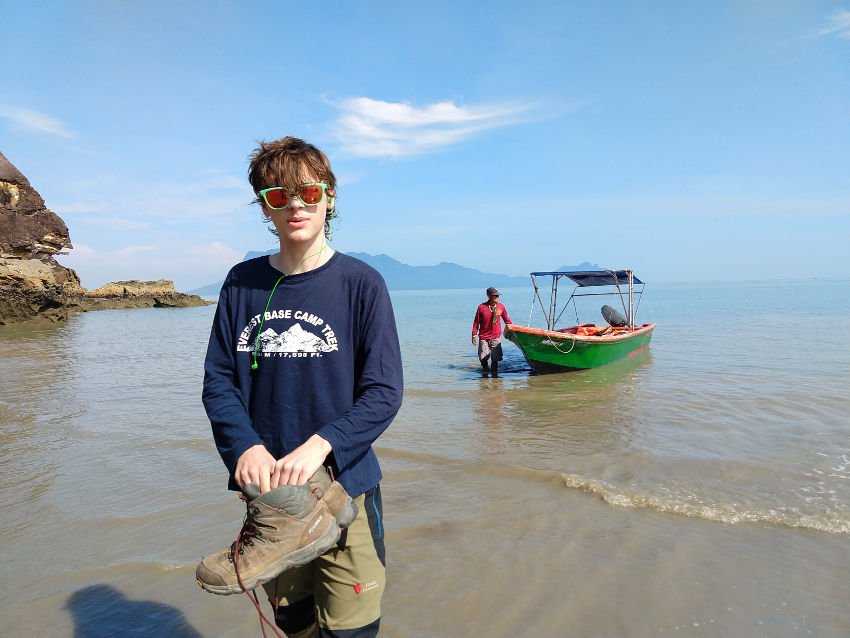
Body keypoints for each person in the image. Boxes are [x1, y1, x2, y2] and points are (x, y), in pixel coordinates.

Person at [201, 136, 403, 637]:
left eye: (308, 193)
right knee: (294, 622)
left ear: (329, 197)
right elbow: (219, 381)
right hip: (273, 500)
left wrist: (320, 445)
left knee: (351, 630)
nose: (295, 205)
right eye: (278, 195)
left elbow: (384, 392)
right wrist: (244, 444)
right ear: (263, 206)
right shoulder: (241, 282)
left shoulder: (362, 283)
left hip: (345, 485)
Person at [471, 287, 512, 376]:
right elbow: (476, 322)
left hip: (496, 336)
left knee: (495, 359)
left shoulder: (501, 307)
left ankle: (494, 378)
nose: (497, 297)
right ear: (488, 296)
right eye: (495, 295)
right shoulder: (481, 307)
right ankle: (485, 372)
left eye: (498, 295)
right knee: (483, 358)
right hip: (483, 337)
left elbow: (507, 320)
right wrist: (474, 335)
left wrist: (513, 331)